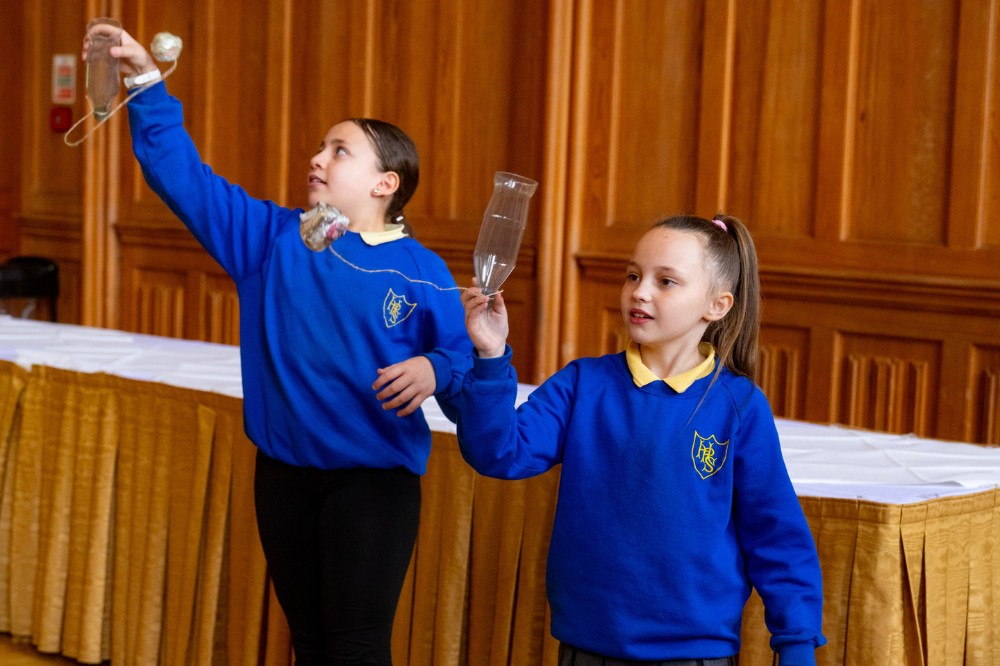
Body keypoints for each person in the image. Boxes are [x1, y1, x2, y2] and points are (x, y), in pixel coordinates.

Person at [87, 25, 473, 665]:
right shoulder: (272, 239)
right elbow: (181, 176)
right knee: (312, 644)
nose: (318, 159)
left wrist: (436, 367)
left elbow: (466, 364)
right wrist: (145, 82)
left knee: (356, 646)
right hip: (283, 478)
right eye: (320, 147)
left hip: (372, 487)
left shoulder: (422, 271)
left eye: (340, 151)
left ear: (387, 184)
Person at [456, 214, 826, 665]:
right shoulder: (583, 383)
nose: (640, 291)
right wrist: (491, 354)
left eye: (666, 281)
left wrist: (797, 646)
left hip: (695, 655)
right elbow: (498, 452)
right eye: (633, 275)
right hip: (587, 649)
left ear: (718, 305)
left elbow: (777, 536)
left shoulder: (739, 405)